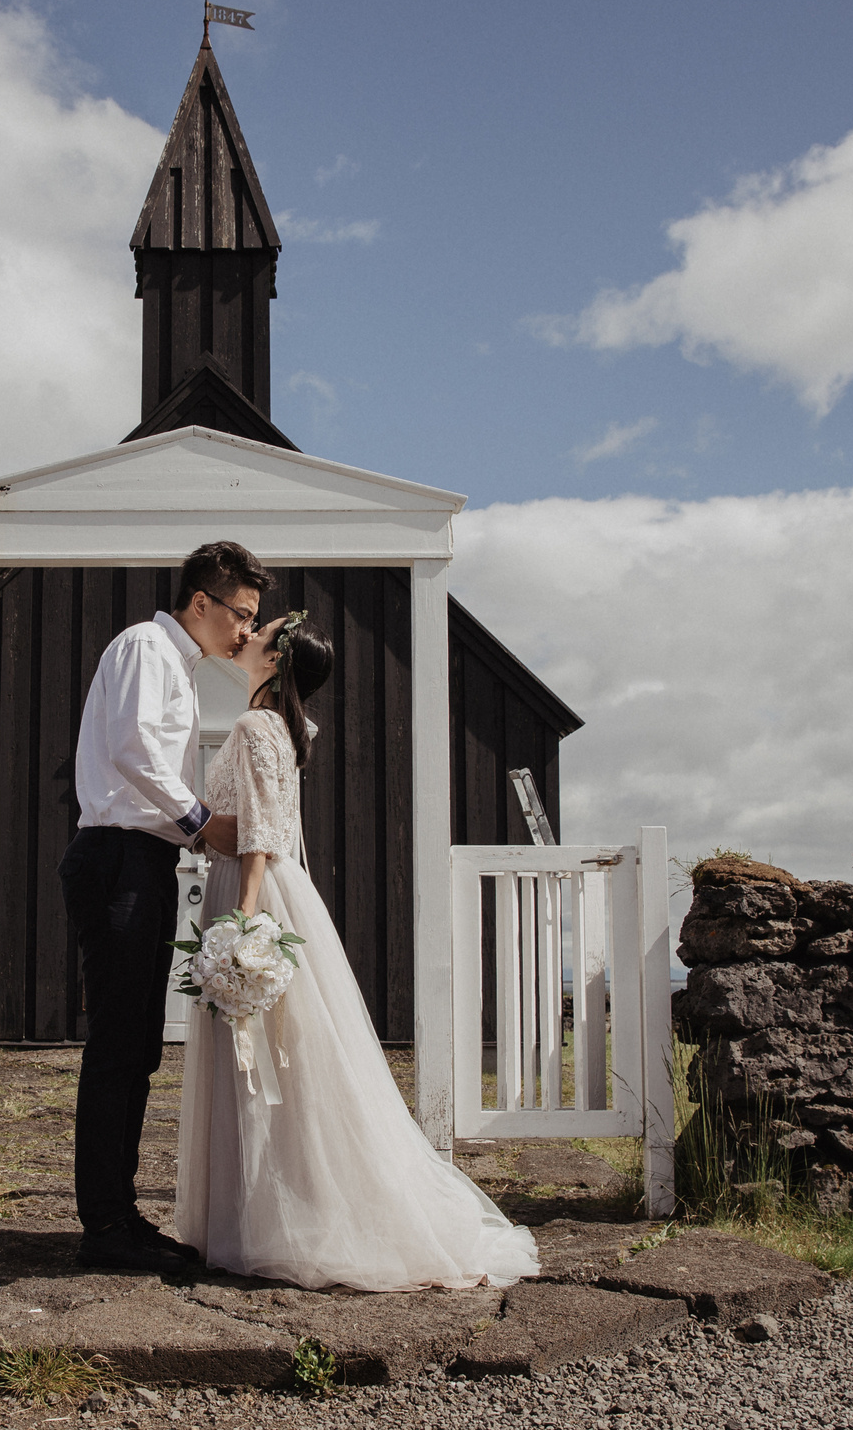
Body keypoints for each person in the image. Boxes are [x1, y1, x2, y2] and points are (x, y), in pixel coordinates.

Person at [175, 611, 540, 1291]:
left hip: (256, 890)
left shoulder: (258, 726)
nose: (247, 634)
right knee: (290, 1062)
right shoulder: (283, 729)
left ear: (277, 661)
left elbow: (256, 832)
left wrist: (244, 923)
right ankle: (270, 1210)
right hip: (285, 887)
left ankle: (264, 1219)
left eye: (260, 633)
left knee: (265, 1063)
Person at [60, 539, 269, 1272]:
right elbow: (133, 750)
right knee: (118, 1046)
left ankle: (120, 1216)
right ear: (202, 601)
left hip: (140, 858)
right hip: (118, 857)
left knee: (139, 1048)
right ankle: (106, 1229)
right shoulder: (148, 647)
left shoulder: (170, 662)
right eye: (241, 614)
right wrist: (202, 823)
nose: (247, 631)